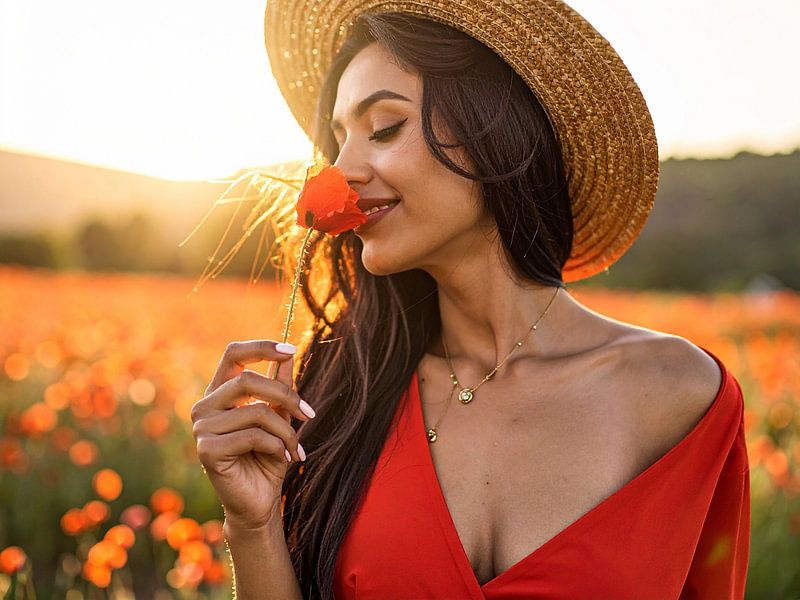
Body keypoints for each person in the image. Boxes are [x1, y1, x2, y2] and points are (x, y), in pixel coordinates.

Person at [190, 2, 751, 599]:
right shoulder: (340, 394)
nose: (342, 170)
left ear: (494, 130)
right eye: (336, 141)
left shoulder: (683, 397)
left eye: (383, 128)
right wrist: (252, 526)